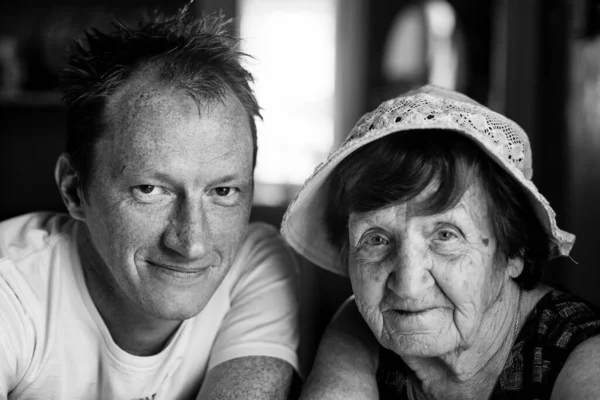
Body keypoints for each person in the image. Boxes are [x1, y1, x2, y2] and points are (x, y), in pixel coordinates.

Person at [0, 7, 299, 400]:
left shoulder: (254, 263)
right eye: (150, 190)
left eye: (222, 192)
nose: (192, 243)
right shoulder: (12, 287)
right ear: (74, 190)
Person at [282, 85, 600, 399]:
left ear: (513, 251)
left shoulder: (582, 358)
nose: (407, 287)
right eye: (376, 239)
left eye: (445, 235)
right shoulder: (362, 332)